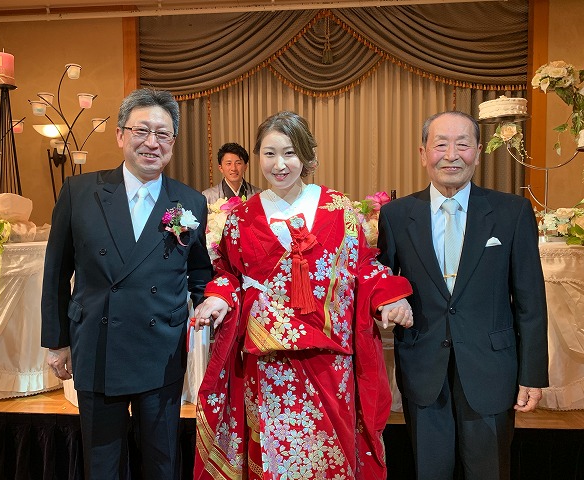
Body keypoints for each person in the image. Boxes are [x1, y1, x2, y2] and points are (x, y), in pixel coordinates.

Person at [192, 111, 414, 479]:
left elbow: (362, 265)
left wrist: (389, 297)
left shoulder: (337, 208)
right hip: (268, 355)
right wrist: (218, 297)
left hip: (328, 353)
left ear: (307, 156)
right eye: (269, 154)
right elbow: (229, 273)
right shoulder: (242, 216)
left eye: (289, 153)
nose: (279, 164)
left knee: (329, 450)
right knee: (274, 453)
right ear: (257, 156)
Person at [41, 88, 213, 479]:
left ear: (172, 142)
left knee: (162, 461)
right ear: (120, 135)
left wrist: (211, 302)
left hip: (161, 349)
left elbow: (200, 271)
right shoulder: (79, 193)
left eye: (163, 134)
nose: (152, 142)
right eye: (141, 130)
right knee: (102, 465)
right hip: (98, 345)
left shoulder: (189, 202)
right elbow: (56, 273)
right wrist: (57, 341)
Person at [377, 111, 548, 480]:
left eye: (463, 145)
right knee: (430, 471)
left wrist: (532, 374)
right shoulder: (396, 215)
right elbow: (380, 282)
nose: (451, 155)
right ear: (423, 153)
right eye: (440, 145)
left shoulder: (512, 212)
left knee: (490, 471)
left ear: (479, 152)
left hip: (492, 369)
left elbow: (531, 302)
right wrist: (387, 301)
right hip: (424, 368)